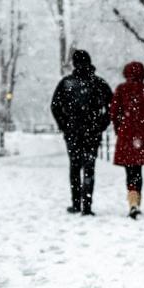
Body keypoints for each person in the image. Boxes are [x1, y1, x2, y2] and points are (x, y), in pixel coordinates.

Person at [50, 49, 112, 215]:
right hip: (92, 131)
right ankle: (87, 205)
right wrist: (102, 124)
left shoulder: (66, 83)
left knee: (75, 166)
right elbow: (112, 106)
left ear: (74, 64)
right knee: (89, 168)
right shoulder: (99, 83)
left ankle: (76, 203)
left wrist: (64, 124)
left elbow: (55, 106)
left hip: (73, 131)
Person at [110, 60, 144, 219]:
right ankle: (137, 201)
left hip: (126, 133)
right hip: (141, 134)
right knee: (138, 169)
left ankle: (132, 200)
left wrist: (120, 127)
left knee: (129, 169)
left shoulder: (121, 90)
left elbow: (114, 112)